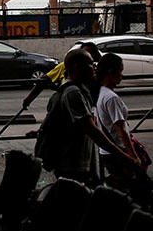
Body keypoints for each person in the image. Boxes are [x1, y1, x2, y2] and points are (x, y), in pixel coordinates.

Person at [43, 49, 138, 186]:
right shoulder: (73, 93)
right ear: (77, 66)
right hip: (73, 164)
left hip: (79, 162)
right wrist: (125, 157)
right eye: (90, 63)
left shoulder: (78, 90)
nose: (94, 67)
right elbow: (92, 130)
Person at [95, 53, 141, 186]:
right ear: (111, 72)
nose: (122, 75)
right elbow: (121, 130)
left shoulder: (101, 93)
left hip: (107, 152)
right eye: (120, 71)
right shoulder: (111, 98)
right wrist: (133, 157)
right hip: (119, 152)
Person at [22, 42, 102, 109]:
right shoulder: (65, 70)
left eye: (89, 62)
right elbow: (43, 81)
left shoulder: (98, 73)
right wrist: (29, 99)